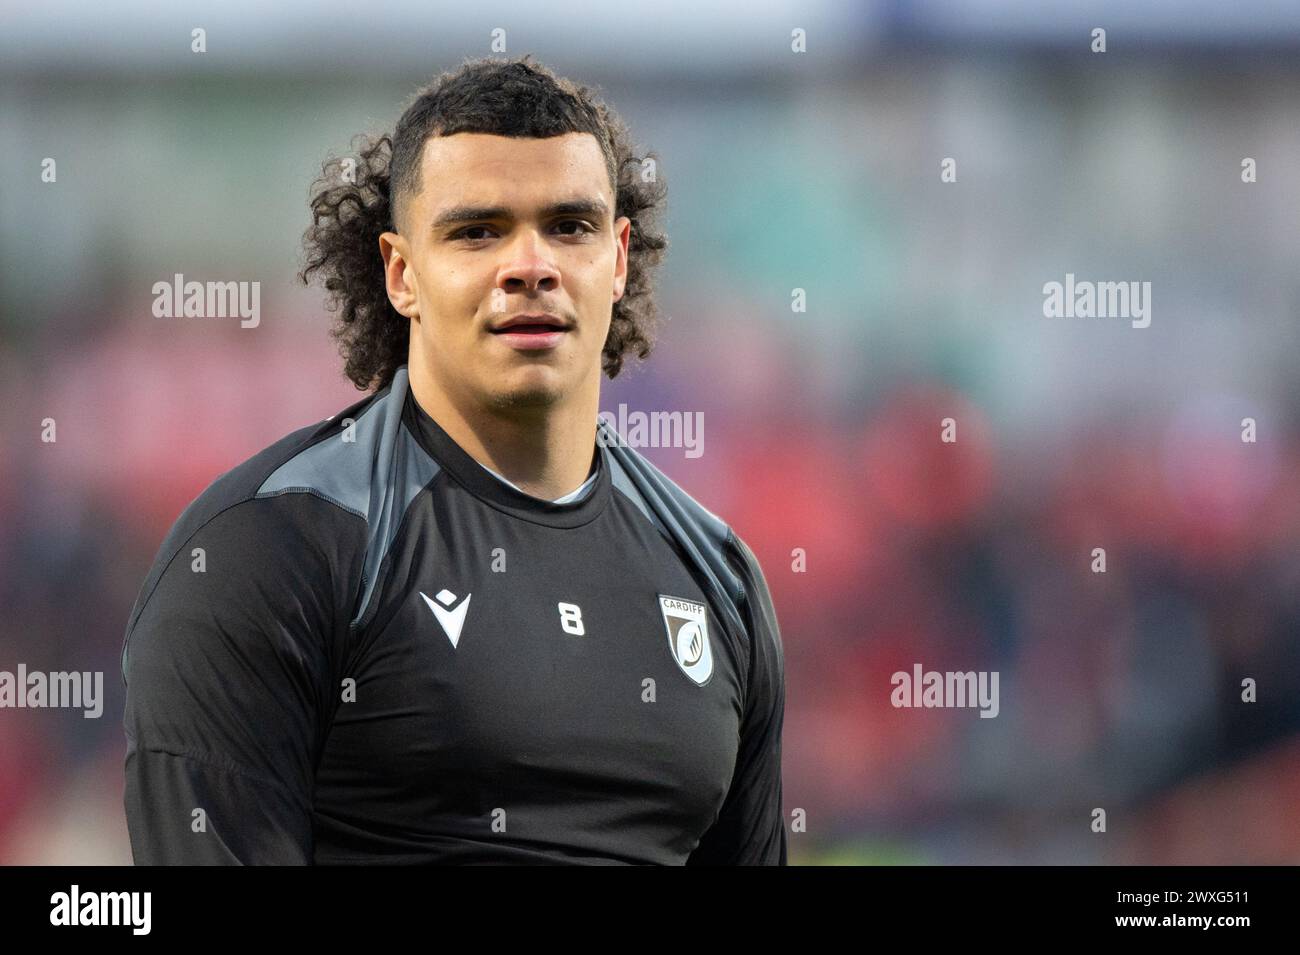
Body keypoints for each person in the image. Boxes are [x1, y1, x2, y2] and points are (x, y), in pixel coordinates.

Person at [121, 55, 786, 865]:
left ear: (617, 259)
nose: (530, 265)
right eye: (478, 231)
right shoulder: (268, 549)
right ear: (402, 273)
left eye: (569, 227)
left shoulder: (717, 576)